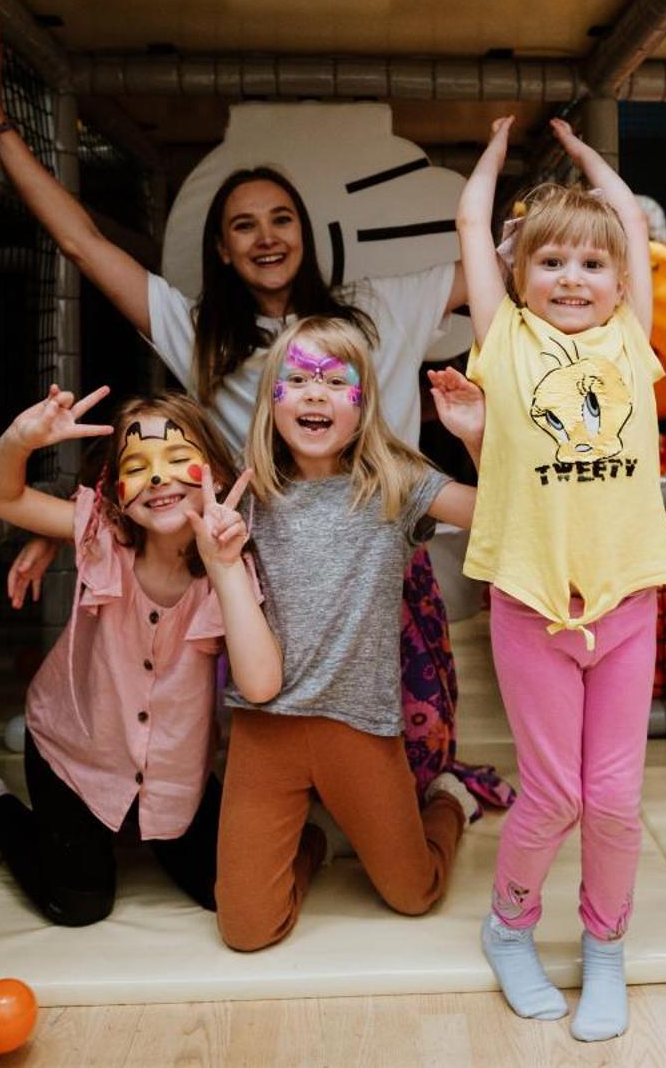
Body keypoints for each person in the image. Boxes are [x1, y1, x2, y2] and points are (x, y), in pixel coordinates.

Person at [0, 27, 507, 812]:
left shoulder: (374, 308)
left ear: (306, 231)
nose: (266, 237)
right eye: (244, 225)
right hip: (267, 564)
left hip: (377, 554)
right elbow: (83, 244)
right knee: (250, 726)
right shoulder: (200, 332)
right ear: (221, 249)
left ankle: (414, 809)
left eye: (281, 218)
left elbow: (495, 270)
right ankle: (88, 746)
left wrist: (577, 234)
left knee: (409, 751)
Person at [448, 116, 666, 1042]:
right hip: (533, 603)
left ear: (621, 280)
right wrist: (495, 155)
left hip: (626, 602)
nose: (572, 279)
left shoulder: (630, 340)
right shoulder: (504, 343)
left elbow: (627, 219)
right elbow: (470, 229)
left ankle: (605, 948)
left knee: (617, 797)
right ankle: (510, 927)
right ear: (519, 277)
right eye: (551, 264)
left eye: (591, 265)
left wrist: (589, 163)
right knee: (556, 794)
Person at [0, 387, 279, 925]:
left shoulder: (230, 566)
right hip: (74, 752)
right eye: (140, 467)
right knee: (78, 905)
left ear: (216, 475)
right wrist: (20, 440)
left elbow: (260, 684)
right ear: (116, 489)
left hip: (175, 770)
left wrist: (225, 570)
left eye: (179, 461)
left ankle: (145, 822)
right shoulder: (100, 535)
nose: (159, 479)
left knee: (229, 892)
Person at [213, 317, 479, 951]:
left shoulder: (397, 485)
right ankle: (309, 839)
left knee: (414, 894)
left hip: (359, 725)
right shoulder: (244, 496)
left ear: (363, 405)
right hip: (263, 728)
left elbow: (497, 512)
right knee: (246, 930)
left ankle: (448, 802)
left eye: (336, 382)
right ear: (272, 398)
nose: (314, 394)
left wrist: (475, 438)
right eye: (298, 379)